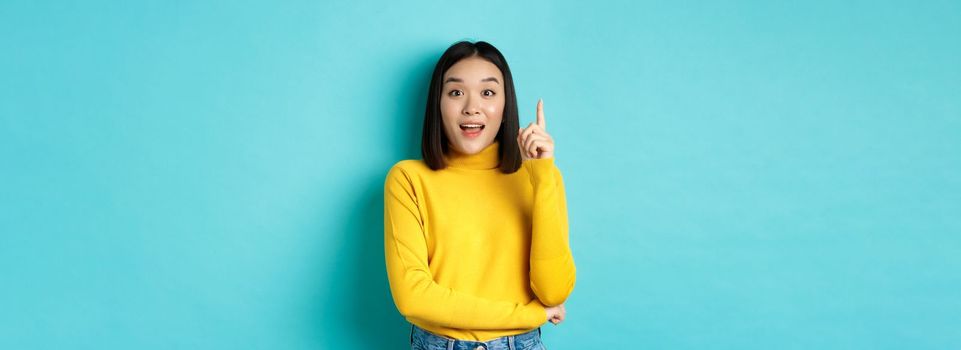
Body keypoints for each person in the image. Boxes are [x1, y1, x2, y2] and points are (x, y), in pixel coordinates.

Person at [384, 40, 576, 350]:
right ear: (439, 104)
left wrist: (540, 177)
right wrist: (526, 315)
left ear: (504, 106)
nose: (471, 106)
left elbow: (553, 292)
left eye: (488, 92)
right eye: (456, 92)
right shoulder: (408, 179)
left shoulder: (541, 177)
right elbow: (412, 298)